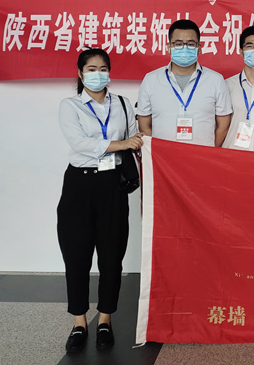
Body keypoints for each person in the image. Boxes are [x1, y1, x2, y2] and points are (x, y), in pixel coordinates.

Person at [57, 48, 144, 353]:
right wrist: (121, 144)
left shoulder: (122, 103)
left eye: (103, 68)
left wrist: (136, 144)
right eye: (91, 69)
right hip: (79, 186)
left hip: (112, 185)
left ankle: (105, 319)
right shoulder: (70, 105)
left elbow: (136, 140)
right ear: (80, 74)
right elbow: (80, 144)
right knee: (76, 255)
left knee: (111, 256)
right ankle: (79, 322)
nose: (98, 74)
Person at [136, 19, 232, 146]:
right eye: (178, 44)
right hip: (163, 156)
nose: (184, 48)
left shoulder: (216, 80)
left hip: (201, 155)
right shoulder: (151, 80)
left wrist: (208, 151)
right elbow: (144, 125)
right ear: (169, 47)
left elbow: (223, 126)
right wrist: (158, 150)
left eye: (191, 44)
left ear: (199, 48)